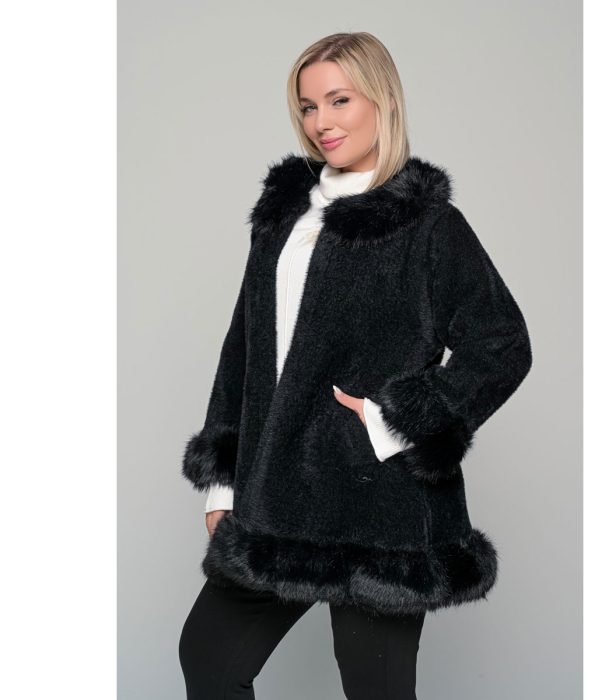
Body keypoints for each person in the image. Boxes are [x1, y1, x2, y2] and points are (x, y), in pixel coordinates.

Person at [178, 31, 532, 700]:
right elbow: (242, 351)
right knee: (210, 659)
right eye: (308, 106)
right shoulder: (283, 219)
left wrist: (394, 420)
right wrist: (222, 484)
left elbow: (502, 343)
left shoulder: (428, 225)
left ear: (382, 101)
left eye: (339, 100)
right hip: (277, 497)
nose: (322, 122)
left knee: (376, 690)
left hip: (381, 507)